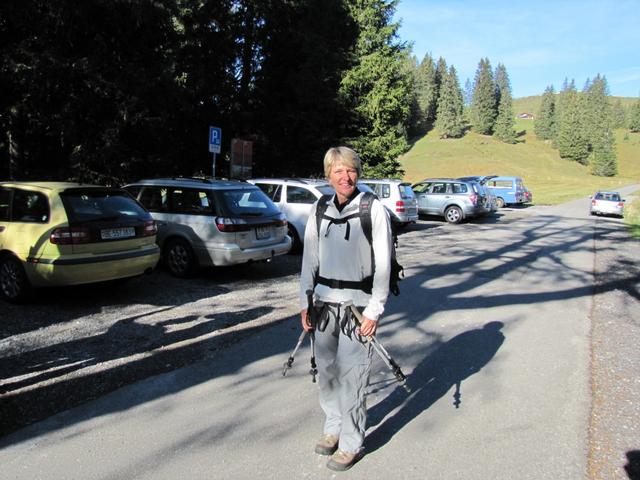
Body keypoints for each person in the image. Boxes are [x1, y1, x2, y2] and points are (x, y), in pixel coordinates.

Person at [299, 146, 393, 471]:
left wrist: (375, 310)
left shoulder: (372, 209)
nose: (345, 176)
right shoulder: (320, 209)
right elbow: (309, 259)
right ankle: (333, 427)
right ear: (328, 176)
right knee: (326, 372)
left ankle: (352, 442)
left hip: (358, 309)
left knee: (352, 377)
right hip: (324, 306)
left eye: (350, 170)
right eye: (338, 171)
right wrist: (304, 300)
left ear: (358, 172)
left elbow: (383, 266)